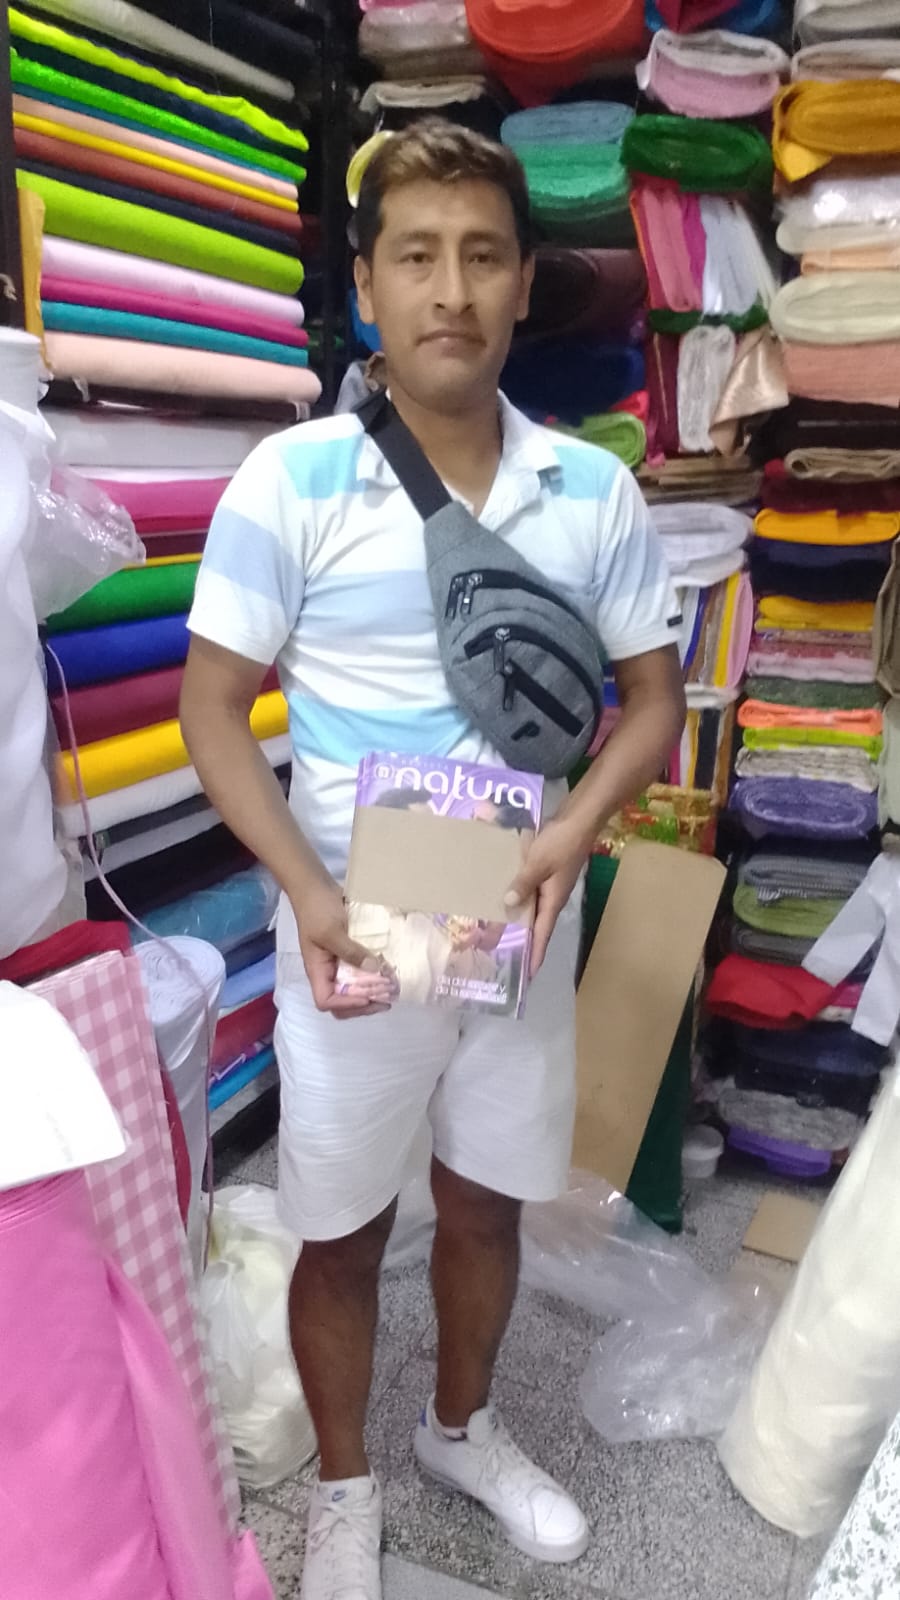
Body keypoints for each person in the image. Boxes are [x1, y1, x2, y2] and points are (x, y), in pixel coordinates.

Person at [180, 118, 686, 1600]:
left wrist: (574, 835)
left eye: (481, 256)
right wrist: (306, 890)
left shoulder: (591, 491)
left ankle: (459, 1428)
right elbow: (212, 710)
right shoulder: (290, 482)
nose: (451, 289)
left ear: (525, 282)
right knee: (338, 1226)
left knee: (486, 1201)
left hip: (519, 916)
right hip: (352, 925)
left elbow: (655, 701)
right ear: (365, 287)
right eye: (416, 257)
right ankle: (347, 1488)